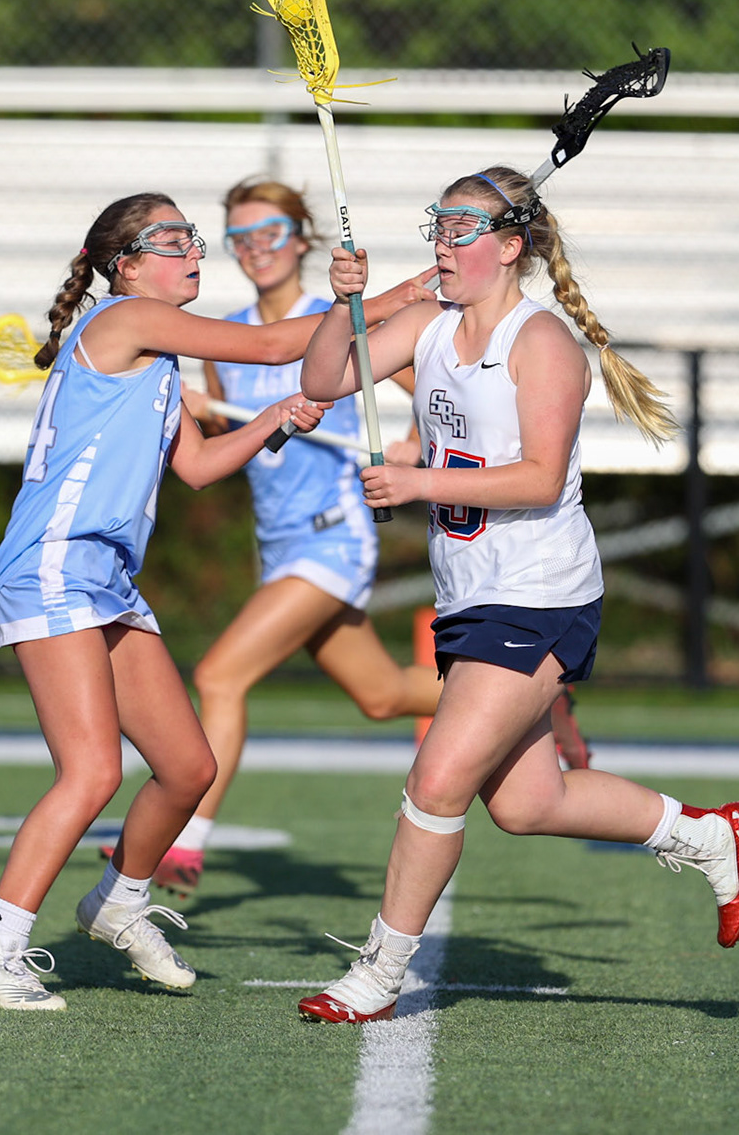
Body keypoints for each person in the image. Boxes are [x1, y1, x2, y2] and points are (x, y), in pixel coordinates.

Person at [293, 166, 739, 1024]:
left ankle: (377, 973)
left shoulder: (540, 341)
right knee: (525, 802)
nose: (441, 241)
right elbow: (327, 378)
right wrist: (344, 303)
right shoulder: (431, 326)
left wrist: (416, 482)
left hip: (540, 592)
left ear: (511, 248)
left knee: (436, 780)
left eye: (461, 228)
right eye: (437, 224)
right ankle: (709, 834)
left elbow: (542, 478)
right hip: (473, 592)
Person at [0, 192, 414, 1013]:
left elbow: (197, 468)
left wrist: (274, 418)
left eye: (190, 236)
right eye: (174, 239)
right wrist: (398, 296)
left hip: (105, 578)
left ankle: (118, 904)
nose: (194, 250)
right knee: (91, 771)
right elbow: (272, 341)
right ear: (125, 266)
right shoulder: (124, 321)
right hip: (54, 566)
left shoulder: (156, 364)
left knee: (189, 767)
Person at [126, 180, 590, 900]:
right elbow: (244, 443)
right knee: (380, 696)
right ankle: (533, 699)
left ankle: (184, 844)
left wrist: (413, 449)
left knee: (219, 676)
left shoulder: (335, 314)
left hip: (333, 540)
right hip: (279, 546)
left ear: (303, 239)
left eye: (271, 233)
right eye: (240, 236)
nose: (255, 250)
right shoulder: (227, 343)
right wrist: (194, 418)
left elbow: (443, 394)